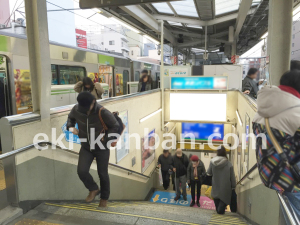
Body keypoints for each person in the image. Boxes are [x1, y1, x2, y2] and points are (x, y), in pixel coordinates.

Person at [253, 70, 300, 221]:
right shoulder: (295, 112)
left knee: (291, 217)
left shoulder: (261, 110)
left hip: (272, 174)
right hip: (291, 178)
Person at [67, 92, 120, 207]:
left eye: (87, 107)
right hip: (86, 147)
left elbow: (115, 125)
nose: (85, 110)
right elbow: (70, 118)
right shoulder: (77, 109)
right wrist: (70, 127)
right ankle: (93, 188)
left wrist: (105, 139)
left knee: (103, 174)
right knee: (81, 171)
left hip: (101, 147)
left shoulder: (102, 112)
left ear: (93, 102)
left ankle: (104, 199)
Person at [207, 146, 236, 214]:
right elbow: (232, 176)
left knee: (218, 206)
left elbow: (209, 172)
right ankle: (220, 210)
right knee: (221, 206)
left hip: (215, 185)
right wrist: (233, 186)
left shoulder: (212, 162)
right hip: (226, 187)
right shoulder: (229, 163)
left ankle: (219, 210)